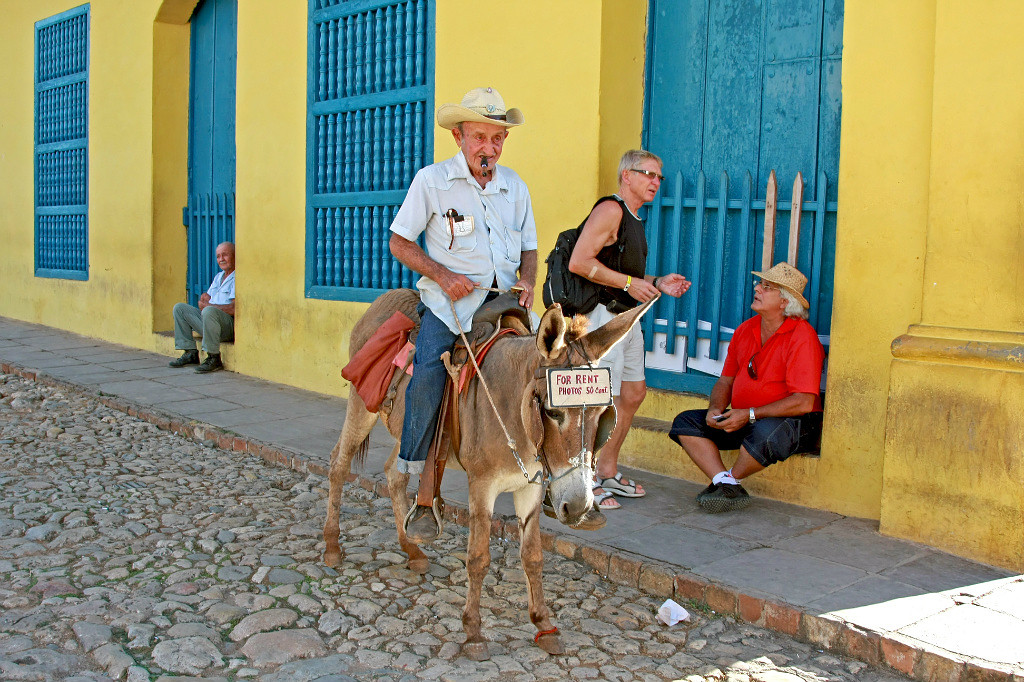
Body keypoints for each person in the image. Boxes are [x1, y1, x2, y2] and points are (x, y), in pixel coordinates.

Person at [388, 87, 536, 544]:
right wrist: (443, 275)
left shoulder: (515, 186)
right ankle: (414, 471)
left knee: (542, 373)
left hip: (506, 304)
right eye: (480, 138)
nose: (488, 148)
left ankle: (546, 468)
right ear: (459, 137)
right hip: (449, 307)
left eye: (497, 139)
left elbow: (530, 249)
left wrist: (528, 281)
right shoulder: (432, 181)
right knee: (430, 370)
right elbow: (400, 242)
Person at [567, 149, 690, 514]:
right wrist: (630, 283)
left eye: (658, 176)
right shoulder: (611, 210)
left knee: (633, 393)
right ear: (626, 176)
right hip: (601, 318)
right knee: (597, 398)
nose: (655, 181)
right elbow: (579, 261)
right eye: (647, 174)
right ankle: (582, 478)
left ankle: (607, 469)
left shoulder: (634, 218)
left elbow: (622, 272)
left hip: (626, 316)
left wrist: (657, 282)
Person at [668, 262, 825, 512]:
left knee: (765, 433)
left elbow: (803, 401)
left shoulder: (801, 336)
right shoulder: (745, 329)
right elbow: (725, 381)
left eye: (767, 287)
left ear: (784, 302)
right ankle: (725, 482)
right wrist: (715, 409)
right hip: (745, 418)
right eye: (760, 284)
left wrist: (750, 414)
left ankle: (730, 481)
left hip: (792, 423)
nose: (758, 289)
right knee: (685, 422)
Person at [168, 241, 236, 374]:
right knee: (180, 308)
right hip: (210, 324)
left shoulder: (237, 277)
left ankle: (213, 357)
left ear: (234, 256)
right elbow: (206, 298)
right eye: (218, 256)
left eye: (225, 255)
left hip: (226, 327)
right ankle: (190, 352)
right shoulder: (219, 277)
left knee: (209, 311)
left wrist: (209, 306)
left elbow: (234, 308)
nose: (221, 259)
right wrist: (206, 301)